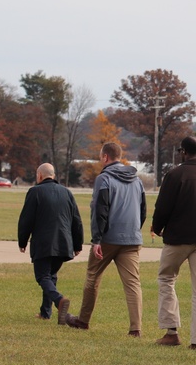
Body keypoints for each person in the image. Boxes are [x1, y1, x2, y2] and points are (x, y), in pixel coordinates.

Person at [66, 142, 146, 336]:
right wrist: (134, 230)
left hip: (108, 238)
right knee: (133, 283)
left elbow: (100, 211)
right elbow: (143, 210)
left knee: (93, 276)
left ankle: (83, 320)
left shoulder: (104, 179)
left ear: (105, 157)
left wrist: (97, 240)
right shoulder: (137, 180)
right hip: (132, 237)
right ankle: (135, 328)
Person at [17, 163, 83, 323]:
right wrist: (77, 244)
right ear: (53, 175)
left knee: (43, 277)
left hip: (44, 243)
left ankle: (59, 300)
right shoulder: (66, 192)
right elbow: (76, 220)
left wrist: (22, 240)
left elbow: (26, 219)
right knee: (51, 276)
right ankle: (46, 313)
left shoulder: (35, 192)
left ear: (40, 175)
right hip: (63, 243)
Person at [150, 135, 196, 348]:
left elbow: (163, 206)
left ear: (183, 152)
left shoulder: (176, 174)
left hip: (178, 238)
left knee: (167, 279)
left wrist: (157, 227)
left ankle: (171, 331)